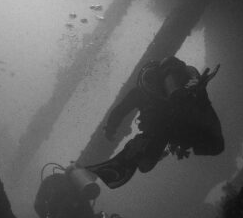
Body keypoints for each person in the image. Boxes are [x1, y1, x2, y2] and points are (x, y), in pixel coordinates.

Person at [86, 56, 225, 189]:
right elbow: (121, 110)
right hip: (178, 126)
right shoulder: (168, 85)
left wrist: (110, 128)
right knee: (215, 145)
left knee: (214, 146)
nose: (152, 86)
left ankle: (136, 149)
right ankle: (139, 149)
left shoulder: (142, 92)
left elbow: (121, 110)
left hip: (169, 128)